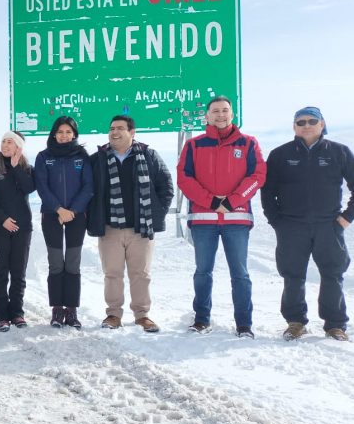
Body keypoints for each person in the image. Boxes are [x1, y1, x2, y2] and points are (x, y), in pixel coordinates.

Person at [261, 106, 353, 342]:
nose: (306, 125)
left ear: (322, 124)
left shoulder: (339, 152)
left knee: (332, 274)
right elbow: (268, 191)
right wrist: (277, 222)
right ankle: (295, 322)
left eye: (312, 121)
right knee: (293, 275)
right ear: (294, 127)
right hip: (291, 226)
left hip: (329, 226)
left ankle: (335, 325)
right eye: (300, 122)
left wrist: (345, 219)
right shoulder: (280, 154)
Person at [177, 96, 266, 338]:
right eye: (215, 111)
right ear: (207, 116)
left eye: (225, 110)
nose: (220, 115)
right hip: (203, 220)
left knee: (240, 274)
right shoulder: (194, 146)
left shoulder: (248, 144)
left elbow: (257, 175)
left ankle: (244, 324)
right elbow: (184, 179)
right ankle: (201, 320)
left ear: (232, 114)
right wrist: (212, 201)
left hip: (236, 220)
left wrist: (232, 200)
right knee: (202, 272)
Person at [88, 115, 174, 333]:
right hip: (110, 229)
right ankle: (113, 314)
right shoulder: (98, 158)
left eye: (120, 128)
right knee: (112, 273)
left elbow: (166, 186)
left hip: (141, 229)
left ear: (132, 132)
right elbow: (88, 190)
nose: (114, 132)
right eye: (111, 128)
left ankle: (142, 315)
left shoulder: (148, 155)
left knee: (141, 274)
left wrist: (156, 214)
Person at [34, 117, 93, 329]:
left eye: (68, 132)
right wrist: (59, 209)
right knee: (56, 262)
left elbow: (88, 187)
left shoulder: (82, 157)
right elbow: (42, 186)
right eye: (60, 132)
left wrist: (73, 210)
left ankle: (72, 310)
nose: (64, 135)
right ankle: (57, 309)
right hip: (52, 214)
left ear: (74, 135)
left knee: (73, 263)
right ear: (54, 134)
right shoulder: (43, 157)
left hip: (77, 215)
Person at [0, 131, 36, 331]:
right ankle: (2, 316)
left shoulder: (26, 168)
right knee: (0, 272)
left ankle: (17, 314)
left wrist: (15, 168)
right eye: (3, 141)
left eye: (10, 142)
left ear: (18, 147)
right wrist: (3, 219)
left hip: (22, 228)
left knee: (18, 272)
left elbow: (30, 188)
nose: (6, 145)